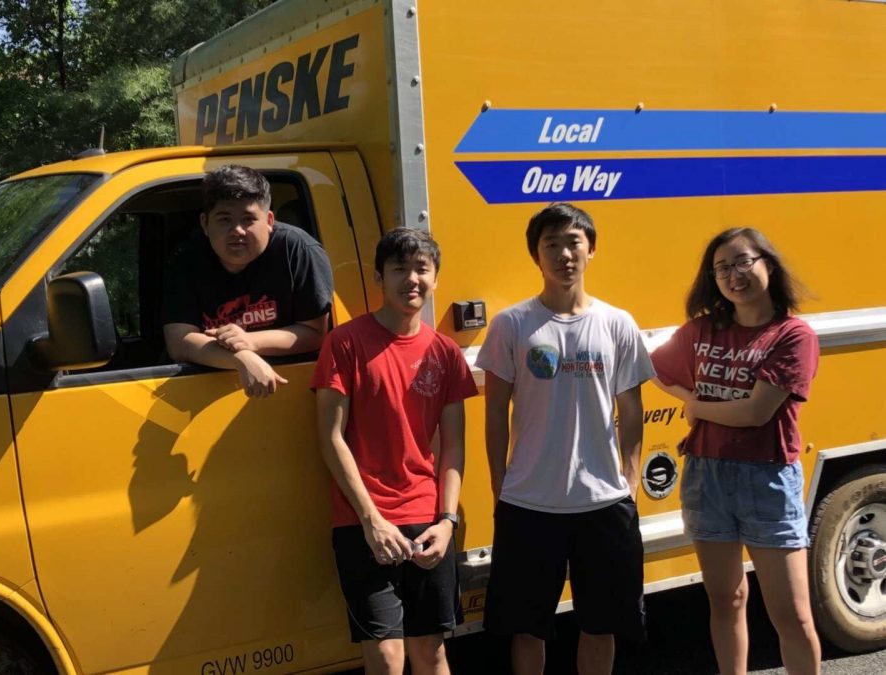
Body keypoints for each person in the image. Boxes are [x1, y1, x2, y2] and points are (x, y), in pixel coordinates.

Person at [476, 203, 654, 675]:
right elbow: (495, 411)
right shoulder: (512, 325)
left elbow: (631, 411)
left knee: (601, 624)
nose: (563, 254)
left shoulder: (618, 323)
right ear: (536, 256)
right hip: (529, 504)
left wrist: (629, 484)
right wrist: (500, 486)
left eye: (573, 242)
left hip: (603, 503)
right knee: (528, 627)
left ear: (591, 249)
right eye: (550, 244)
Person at [650, 227, 821, 675]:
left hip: (766, 478)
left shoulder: (792, 335)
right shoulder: (703, 328)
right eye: (722, 267)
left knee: (792, 615)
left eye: (743, 261)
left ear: (768, 263)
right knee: (726, 600)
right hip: (707, 475)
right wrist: (692, 399)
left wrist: (696, 405)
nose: (733, 275)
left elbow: (756, 413)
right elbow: (655, 368)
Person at [311, 228, 478, 675]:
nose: (412, 279)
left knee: (431, 653)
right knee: (386, 657)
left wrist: (447, 522)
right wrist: (371, 521)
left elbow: (454, 447)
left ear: (436, 278)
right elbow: (331, 438)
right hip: (363, 521)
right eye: (400, 269)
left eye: (422, 269)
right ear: (379, 277)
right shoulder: (344, 343)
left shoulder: (445, 353)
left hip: (427, 518)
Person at [163, 165, 333, 397]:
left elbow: (315, 333)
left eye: (248, 219)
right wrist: (240, 357)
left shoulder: (298, 250)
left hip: (293, 395)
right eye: (224, 219)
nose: (238, 230)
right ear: (205, 223)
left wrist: (250, 341)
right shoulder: (187, 260)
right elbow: (179, 342)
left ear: (270, 220)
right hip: (206, 396)